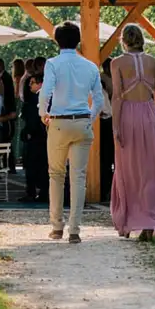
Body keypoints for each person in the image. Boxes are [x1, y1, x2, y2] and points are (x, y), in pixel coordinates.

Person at [40, 22, 106, 243]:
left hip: (59, 121)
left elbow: (46, 91)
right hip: (82, 121)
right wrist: (90, 117)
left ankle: (57, 226)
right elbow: (99, 99)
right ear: (78, 40)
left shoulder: (52, 64)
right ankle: (75, 229)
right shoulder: (90, 66)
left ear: (57, 40)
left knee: (56, 175)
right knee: (78, 177)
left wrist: (43, 112)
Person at [107, 27, 155, 241]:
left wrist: (115, 126)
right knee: (151, 169)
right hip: (149, 113)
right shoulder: (153, 62)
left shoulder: (116, 63)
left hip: (128, 114)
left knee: (127, 168)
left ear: (123, 41)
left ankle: (127, 221)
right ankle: (150, 220)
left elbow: (117, 97)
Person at [18, 69, 48, 203]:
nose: (30, 85)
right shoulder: (34, 99)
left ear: (41, 84)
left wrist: (29, 132)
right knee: (39, 166)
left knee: (34, 166)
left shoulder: (36, 100)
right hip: (39, 137)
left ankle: (33, 192)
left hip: (37, 137)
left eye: (33, 83)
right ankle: (40, 192)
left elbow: (33, 119)